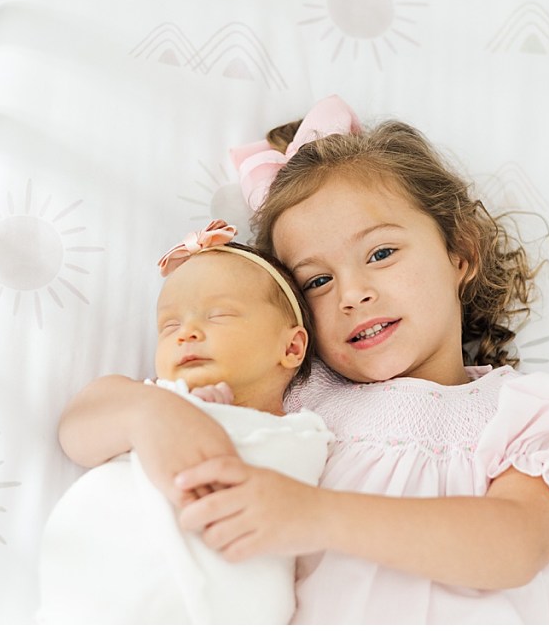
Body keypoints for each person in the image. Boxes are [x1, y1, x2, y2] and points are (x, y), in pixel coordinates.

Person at [58, 96, 549, 624]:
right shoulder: (293, 394)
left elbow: (515, 546)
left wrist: (313, 515)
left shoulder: (529, 415)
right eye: (317, 281)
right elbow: (81, 428)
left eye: (381, 253)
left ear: (460, 252)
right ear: (293, 328)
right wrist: (149, 413)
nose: (352, 294)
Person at [39, 223, 332, 624]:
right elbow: (75, 431)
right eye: (169, 326)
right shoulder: (150, 397)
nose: (186, 333)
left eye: (219, 315)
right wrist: (156, 409)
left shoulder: (306, 434)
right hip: (99, 596)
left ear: (292, 347)